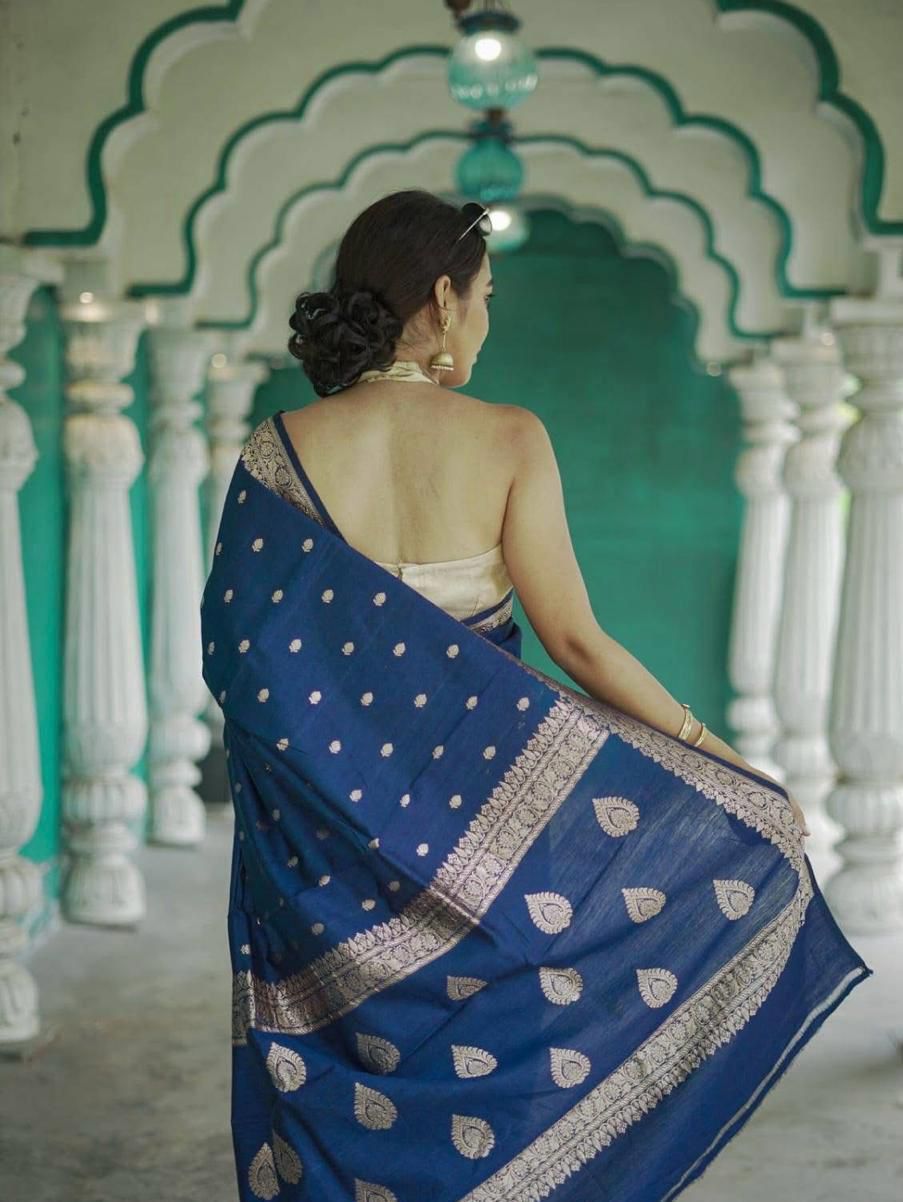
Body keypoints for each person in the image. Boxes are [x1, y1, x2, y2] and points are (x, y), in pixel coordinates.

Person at [201, 189, 872, 1202]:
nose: (485, 318)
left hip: (330, 848)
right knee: (508, 1048)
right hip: (496, 816)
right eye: (485, 296)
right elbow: (577, 643)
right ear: (442, 298)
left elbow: (243, 661)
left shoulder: (276, 449)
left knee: (344, 1081)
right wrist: (719, 758)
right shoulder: (509, 437)